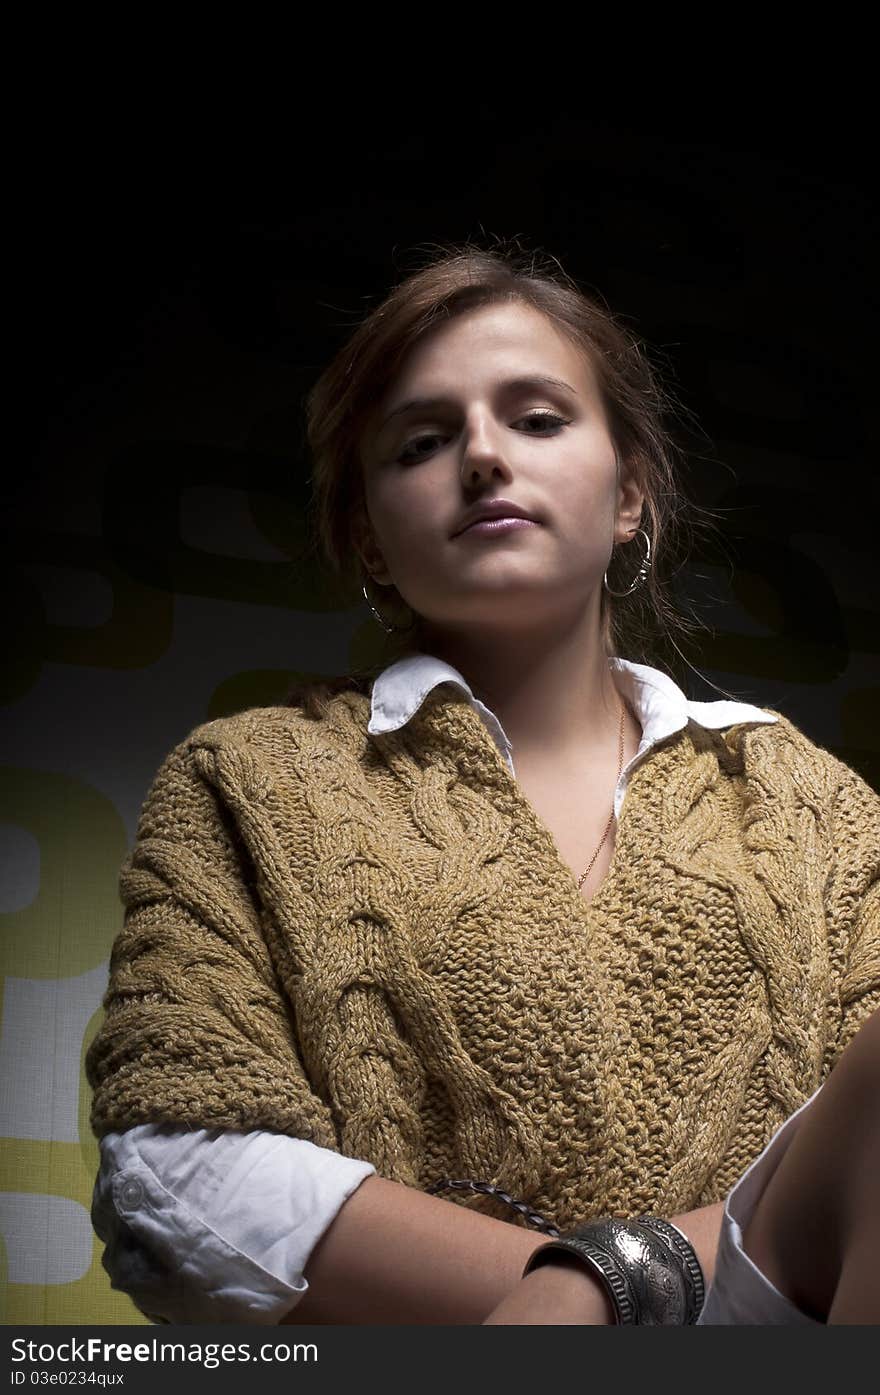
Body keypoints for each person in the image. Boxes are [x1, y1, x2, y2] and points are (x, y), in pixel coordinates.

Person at [85, 238, 879, 1326]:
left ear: (631, 495)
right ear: (366, 535)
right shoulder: (248, 780)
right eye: (421, 441)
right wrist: (609, 1291)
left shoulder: (820, 809)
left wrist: (607, 1287)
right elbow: (178, 1170)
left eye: (538, 419)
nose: (482, 458)